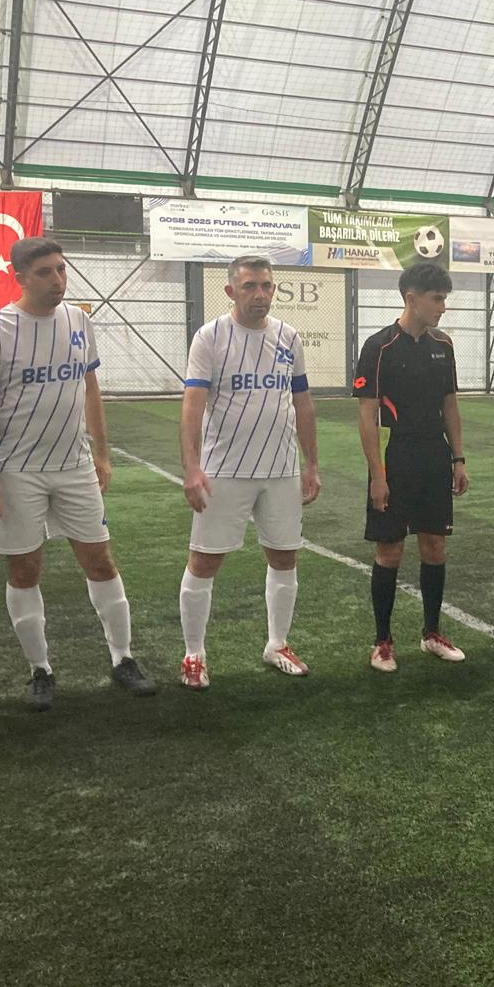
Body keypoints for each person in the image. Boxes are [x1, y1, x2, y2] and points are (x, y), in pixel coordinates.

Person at [0, 236, 153, 709]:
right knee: (25, 568)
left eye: (61, 269)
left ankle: (123, 659)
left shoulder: (78, 321)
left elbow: (90, 389)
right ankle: (40, 669)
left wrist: (102, 454)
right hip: (17, 470)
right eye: (45, 272)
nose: (57, 280)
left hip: (74, 466)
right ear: (20, 278)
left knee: (101, 561)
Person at [177, 256, 322, 690]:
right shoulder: (210, 337)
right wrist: (191, 467)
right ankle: (193, 654)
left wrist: (311, 463)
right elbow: (192, 406)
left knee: (284, 556)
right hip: (225, 470)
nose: (260, 294)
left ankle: (277, 644)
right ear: (230, 291)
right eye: (250, 286)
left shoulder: (289, 337)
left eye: (266, 286)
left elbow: (302, 403)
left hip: (281, 470)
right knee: (205, 560)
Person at [354, 262, 468, 673]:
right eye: (437, 299)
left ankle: (432, 633)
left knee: (435, 546)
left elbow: (450, 405)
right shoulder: (379, 347)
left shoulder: (444, 345)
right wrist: (378, 476)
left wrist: (458, 459)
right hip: (396, 456)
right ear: (411, 298)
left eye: (444, 299)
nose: (442, 307)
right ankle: (382, 642)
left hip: (435, 456)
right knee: (390, 550)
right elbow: (367, 417)